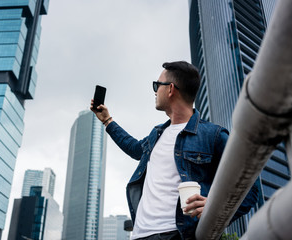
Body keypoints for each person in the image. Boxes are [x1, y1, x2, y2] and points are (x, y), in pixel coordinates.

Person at [90, 61, 259, 240]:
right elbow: (133, 148)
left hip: (177, 235)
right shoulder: (156, 134)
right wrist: (107, 120)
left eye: (157, 85)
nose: (155, 91)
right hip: (139, 235)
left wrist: (216, 209)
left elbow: (250, 187)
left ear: (170, 89)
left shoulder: (213, 135)